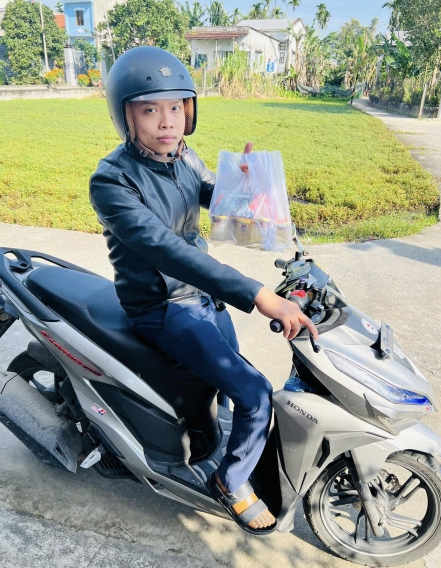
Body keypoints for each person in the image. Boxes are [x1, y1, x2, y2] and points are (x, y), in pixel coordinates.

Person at [90, 46, 318, 535]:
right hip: (163, 306)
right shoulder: (111, 182)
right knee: (256, 392)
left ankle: (211, 438)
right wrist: (259, 295)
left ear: (189, 111)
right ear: (125, 116)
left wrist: (245, 181)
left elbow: (214, 196)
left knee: (229, 387)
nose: (166, 121)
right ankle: (229, 482)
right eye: (150, 110)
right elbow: (168, 250)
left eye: (176, 107)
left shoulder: (183, 156)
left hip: (202, 298)